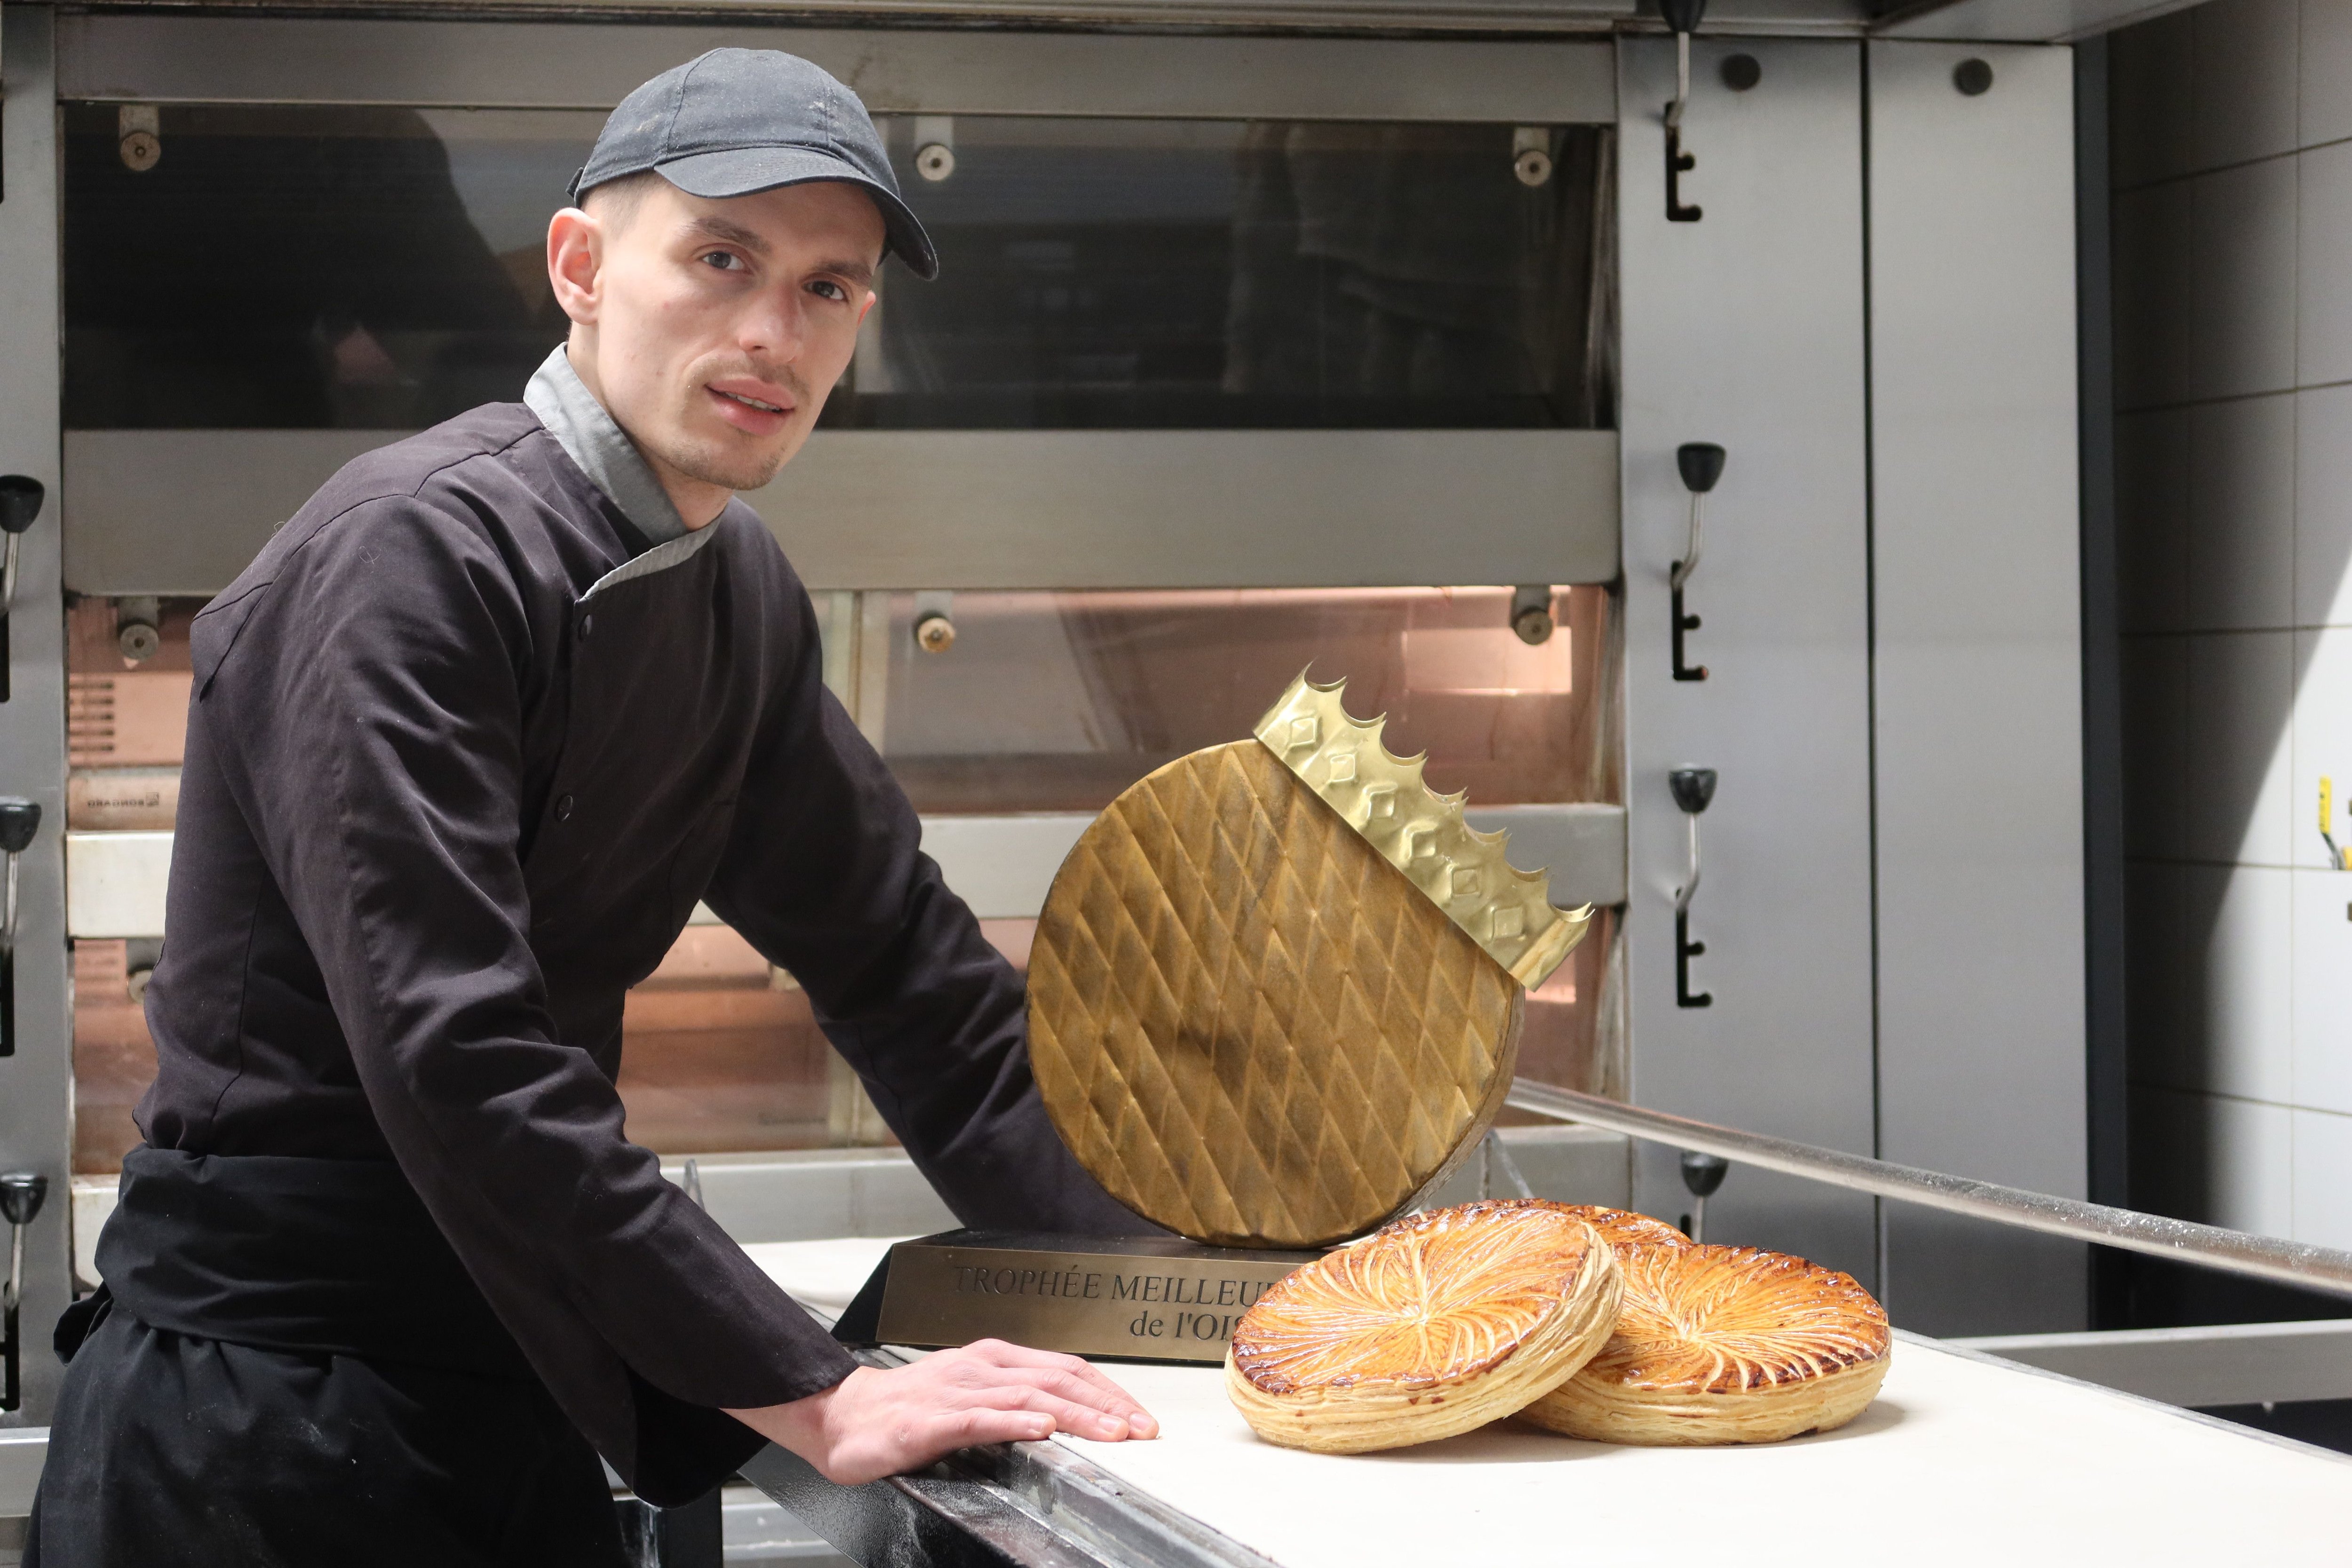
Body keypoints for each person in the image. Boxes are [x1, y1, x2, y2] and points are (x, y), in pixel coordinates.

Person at [29, 49, 1158, 1568]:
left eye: (830, 287)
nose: (772, 332)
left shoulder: (733, 589)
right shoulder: (410, 557)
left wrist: (1168, 1293)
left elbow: (908, 974)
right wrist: (812, 1386)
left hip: (511, 1394)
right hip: (262, 1426)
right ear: (580, 266)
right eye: (720, 258)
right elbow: (461, 1054)